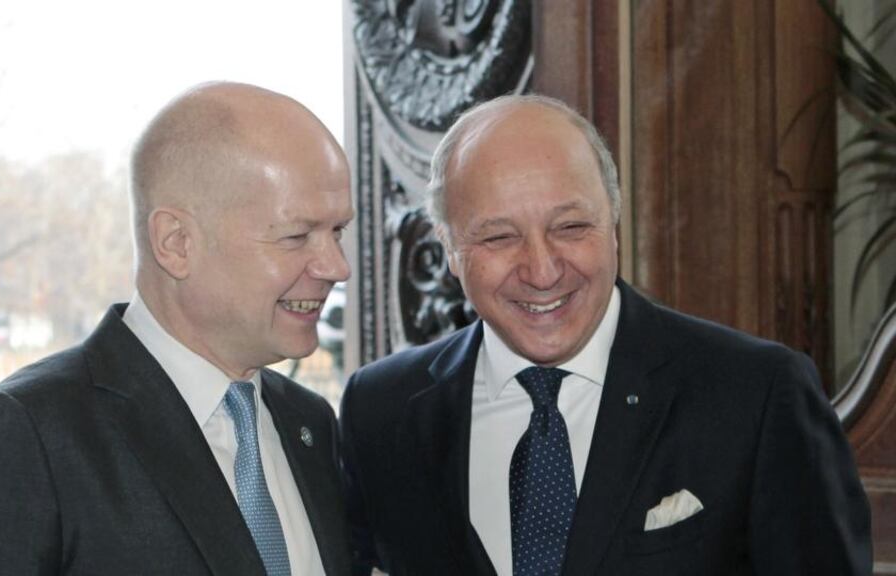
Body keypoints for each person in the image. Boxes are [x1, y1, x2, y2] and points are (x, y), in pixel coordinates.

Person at [340, 94, 872, 575]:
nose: (543, 270)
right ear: (450, 250)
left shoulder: (756, 394)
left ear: (614, 223)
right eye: (499, 237)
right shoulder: (381, 410)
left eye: (571, 228)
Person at [0, 82, 354, 575]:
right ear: (176, 243)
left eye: (338, 231)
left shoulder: (308, 422)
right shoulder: (24, 437)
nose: (336, 266)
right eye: (296, 235)